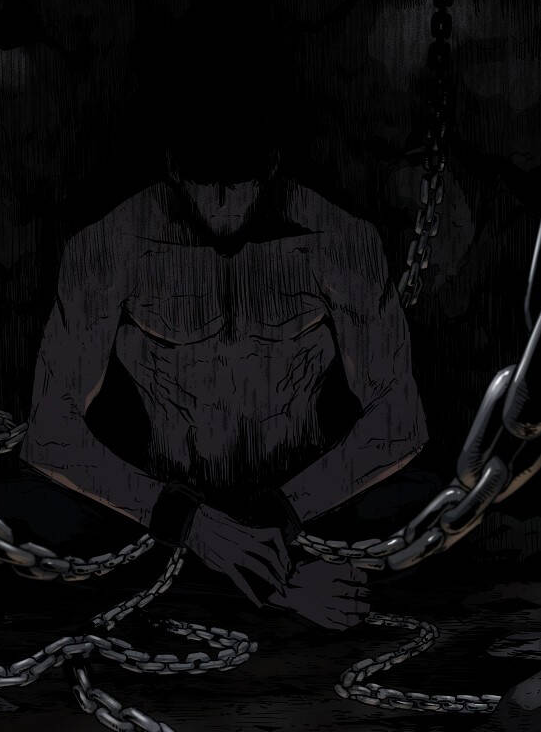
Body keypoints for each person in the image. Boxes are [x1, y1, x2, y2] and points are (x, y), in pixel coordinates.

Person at [21, 158, 427, 630]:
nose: (221, 208)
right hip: (160, 516)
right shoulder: (110, 246)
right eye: (204, 186)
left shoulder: (338, 240)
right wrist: (193, 524)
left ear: (270, 167)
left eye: (239, 186)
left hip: (309, 509)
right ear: (174, 169)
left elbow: (399, 419)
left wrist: (279, 519)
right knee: (29, 520)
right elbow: (50, 431)